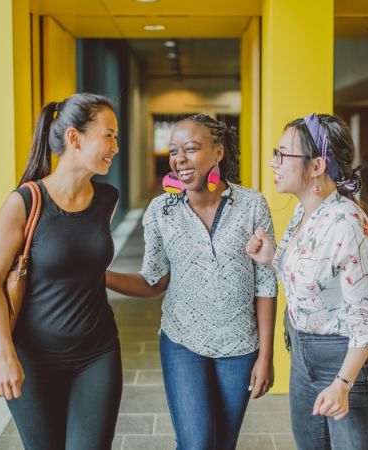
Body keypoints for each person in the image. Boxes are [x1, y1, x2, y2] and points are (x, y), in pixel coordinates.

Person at [106, 114, 277, 450]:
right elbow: (154, 281)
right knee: (196, 443)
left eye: (191, 149)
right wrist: (101, 276)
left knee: (222, 444)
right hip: (182, 340)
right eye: (174, 151)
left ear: (218, 152)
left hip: (240, 346)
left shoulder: (252, 205)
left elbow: (266, 283)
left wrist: (266, 356)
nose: (179, 159)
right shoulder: (161, 211)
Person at [0, 93, 122, 449]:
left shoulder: (108, 199)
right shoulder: (25, 202)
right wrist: (6, 357)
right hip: (32, 360)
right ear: (74, 138)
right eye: (109, 135)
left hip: (97, 355)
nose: (116, 147)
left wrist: (153, 283)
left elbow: (85, 270)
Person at [246, 113, 368, 450]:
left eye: (282, 155)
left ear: (317, 166)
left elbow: (367, 324)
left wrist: (342, 383)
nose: (273, 162)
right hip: (304, 354)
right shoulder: (304, 210)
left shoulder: (348, 225)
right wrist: (273, 259)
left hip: (347, 363)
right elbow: (316, 282)